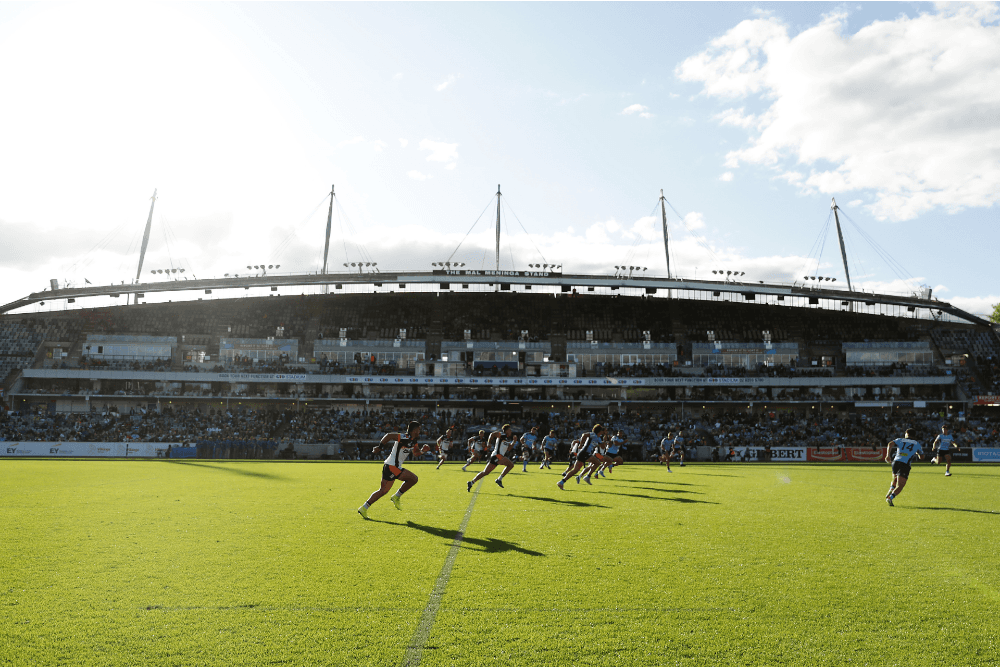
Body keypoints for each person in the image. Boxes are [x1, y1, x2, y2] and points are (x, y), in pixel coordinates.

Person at [358, 421, 430, 519]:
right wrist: (380, 447)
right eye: (419, 429)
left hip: (389, 466)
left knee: (383, 490)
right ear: (414, 430)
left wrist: (422, 451)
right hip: (392, 466)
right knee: (413, 479)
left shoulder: (414, 441)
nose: (420, 431)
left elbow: (416, 453)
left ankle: (364, 508)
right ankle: (396, 496)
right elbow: (389, 436)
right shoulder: (405, 437)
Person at [467, 424, 517, 490]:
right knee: (510, 465)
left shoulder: (507, 439)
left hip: (497, 457)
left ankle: (471, 482)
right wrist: (489, 443)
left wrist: (514, 441)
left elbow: (509, 448)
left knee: (485, 472)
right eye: (510, 430)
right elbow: (492, 434)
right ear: (507, 430)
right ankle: (499, 479)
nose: (511, 431)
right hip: (497, 456)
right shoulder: (501, 434)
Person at [884, 428, 924, 506]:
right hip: (905, 464)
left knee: (895, 479)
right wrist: (917, 453)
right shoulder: (916, 444)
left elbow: (890, 443)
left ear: (907, 433)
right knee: (900, 485)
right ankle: (890, 497)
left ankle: (891, 488)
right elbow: (921, 457)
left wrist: (887, 455)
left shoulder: (900, 440)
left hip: (895, 462)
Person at [558, 425, 605, 490]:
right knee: (597, 463)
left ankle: (561, 482)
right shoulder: (593, 434)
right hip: (584, 453)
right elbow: (584, 435)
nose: (603, 432)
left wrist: (604, 442)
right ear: (599, 431)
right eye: (602, 431)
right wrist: (580, 445)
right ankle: (587, 476)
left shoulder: (599, 438)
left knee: (575, 470)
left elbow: (602, 447)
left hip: (584, 454)